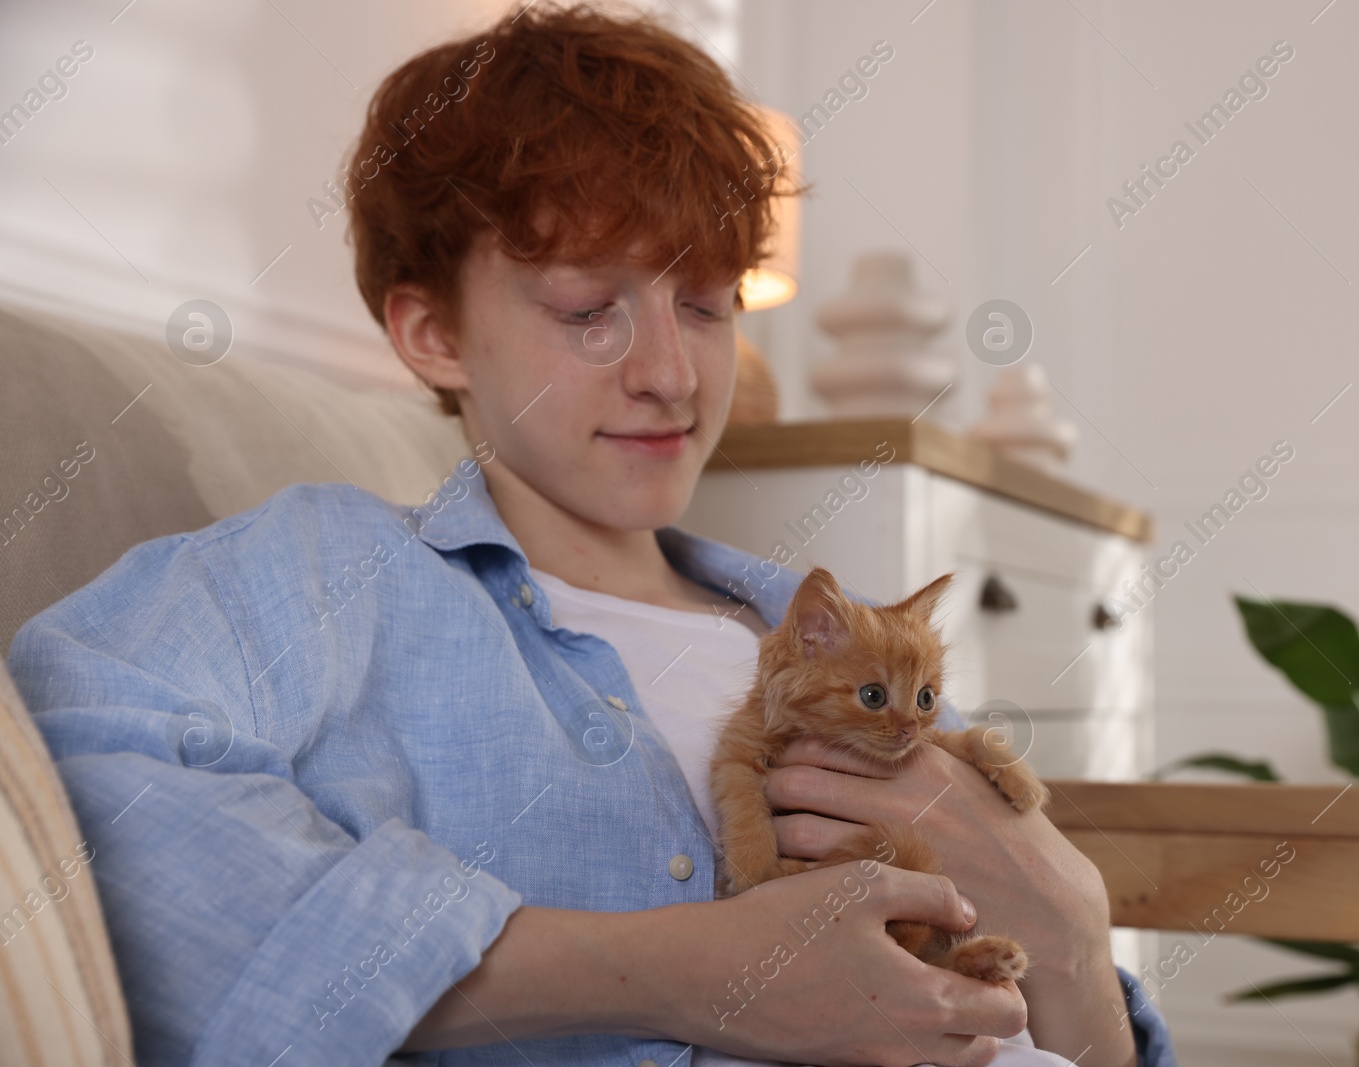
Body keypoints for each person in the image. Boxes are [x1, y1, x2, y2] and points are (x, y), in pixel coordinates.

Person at [7, 5, 1176, 1066]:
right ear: (433, 334)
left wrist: (1069, 929)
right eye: (586, 310)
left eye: (708, 304)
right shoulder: (329, 573)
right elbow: (85, 787)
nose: (672, 374)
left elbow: (1064, 1012)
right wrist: (691, 971)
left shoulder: (832, 639)